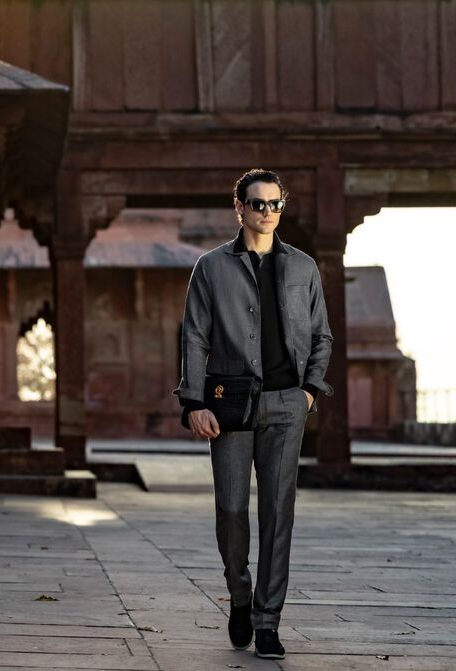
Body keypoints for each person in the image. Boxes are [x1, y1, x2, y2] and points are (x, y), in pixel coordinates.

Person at [174, 168, 333, 659]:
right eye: (257, 204)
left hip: (288, 405)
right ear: (238, 208)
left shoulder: (304, 267)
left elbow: (322, 336)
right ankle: (239, 596)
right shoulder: (211, 267)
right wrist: (194, 401)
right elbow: (195, 335)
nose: (267, 212)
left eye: (275, 204)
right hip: (230, 404)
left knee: (278, 515)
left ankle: (267, 620)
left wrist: (309, 391)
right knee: (231, 510)